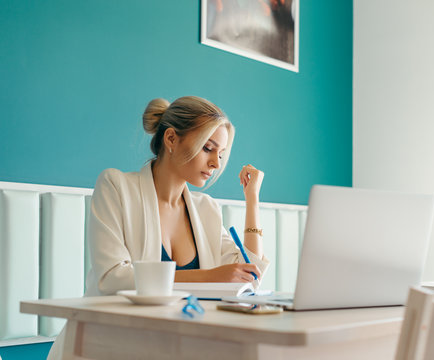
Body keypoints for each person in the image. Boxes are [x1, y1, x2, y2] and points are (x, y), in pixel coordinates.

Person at [47, 96, 269, 359]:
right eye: (208, 149)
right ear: (172, 139)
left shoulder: (206, 209)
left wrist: (252, 200)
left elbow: (249, 275)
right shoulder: (116, 186)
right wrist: (210, 276)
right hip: (104, 344)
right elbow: (113, 278)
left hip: (170, 346)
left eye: (221, 154)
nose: (216, 164)